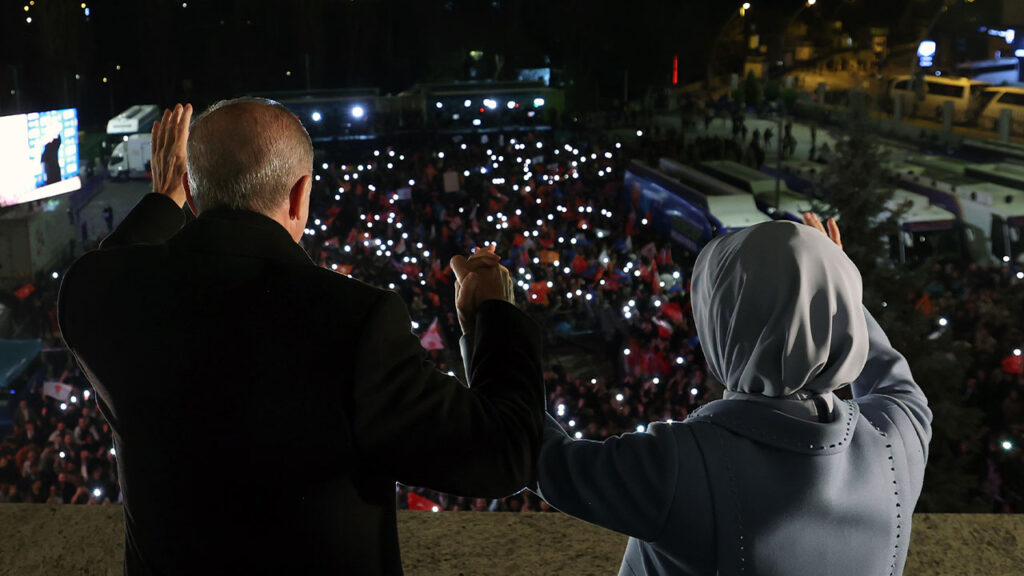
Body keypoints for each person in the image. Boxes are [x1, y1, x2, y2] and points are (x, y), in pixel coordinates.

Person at [57, 100, 546, 574]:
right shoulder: (356, 320)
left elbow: (115, 262)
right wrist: (494, 316)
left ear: (190, 185)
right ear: (300, 193)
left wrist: (163, 199)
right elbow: (505, 454)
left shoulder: (97, 292)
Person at [532, 214, 931, 576]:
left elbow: (529, 451)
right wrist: (828, 282)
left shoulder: (676, 464)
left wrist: (486, 318)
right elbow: (892, 380)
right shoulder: (898, 436)